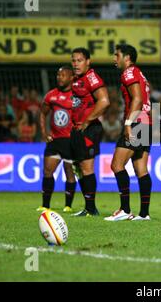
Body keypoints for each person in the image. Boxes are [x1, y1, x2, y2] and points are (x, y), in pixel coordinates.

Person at [104, 44, 152, 222]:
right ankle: (144, 214)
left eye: (117, 55)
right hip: (146, 122)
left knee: (117, 165)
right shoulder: (139, 73)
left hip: (137, 122)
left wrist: (128, 123)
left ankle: (124, 209)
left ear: (127, 58)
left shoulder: (129, 73)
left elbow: (138, 98)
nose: (114, 58)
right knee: (141, 169)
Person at [70, 47, 110, 217]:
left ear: (88, 61)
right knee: (78, 167)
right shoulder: (76, 79)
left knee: (87, 168)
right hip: (76, 129)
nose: (76, 64)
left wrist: (86, 121)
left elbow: (104, 101)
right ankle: (88, 207)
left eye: (79, 60)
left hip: (89, 129)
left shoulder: (91, 77)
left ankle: (91, 208)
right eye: (73, 60)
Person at [38, 66, 77, 213]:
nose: (59, 77)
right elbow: (42, 113)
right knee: (48, 171)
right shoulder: (51, 95)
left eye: (63, 75)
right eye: (58, 75)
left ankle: (68, 205)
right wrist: (44, 132)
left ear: (71, 77)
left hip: (70, 140)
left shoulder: (77, 96)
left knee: (70, 173)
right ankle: (45, 205)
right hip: (54, 140)